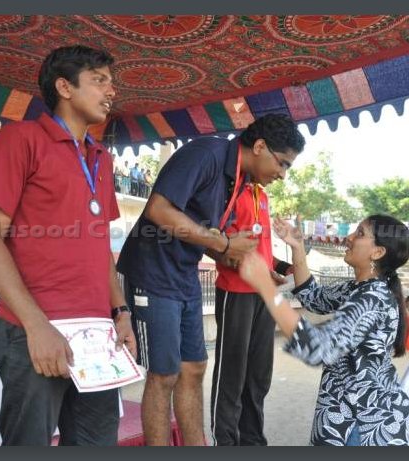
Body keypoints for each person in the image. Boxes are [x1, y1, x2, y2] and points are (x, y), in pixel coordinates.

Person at [0, 45, 136, 446]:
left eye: (111, 82)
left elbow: (100, 248)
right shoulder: (21, 138)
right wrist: (36, 326)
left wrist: (120, 311)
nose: (111, 91)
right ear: (64, 87)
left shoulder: (101, 157)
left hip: (97, 336)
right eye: (99, 80)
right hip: (32, 331)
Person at [117, 113, 305, 445]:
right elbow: (158, 210)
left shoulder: (240, 180)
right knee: (164, 374)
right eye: (283, 163)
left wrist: (247, 262)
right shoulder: (206, 154)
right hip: (153, 273)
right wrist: (224, 245)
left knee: (194, 368)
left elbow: (209, 237)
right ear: (260, 146)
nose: (282, 174)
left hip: (185, 274)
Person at [238, 215, 409, 446]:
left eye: (360, 234)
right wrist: (297, 246)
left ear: (378, 252)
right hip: (354, 416)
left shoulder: (373, 298)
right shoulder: (359, 289)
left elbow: (319, 348)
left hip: (363, 424)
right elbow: (313, 297)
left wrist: (266, 287)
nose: (349, 237)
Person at [209, 181, 293, 446]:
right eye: (280, 163)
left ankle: (253, 440)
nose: (280, 174)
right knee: (231, 374)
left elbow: (263, 251)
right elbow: (215, 243)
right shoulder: (228, 190)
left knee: (258, 375)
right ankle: (225, 442)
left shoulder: (261, 194)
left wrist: (286, 267)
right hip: (236, 290)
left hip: (264, 292)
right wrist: (252, 269)